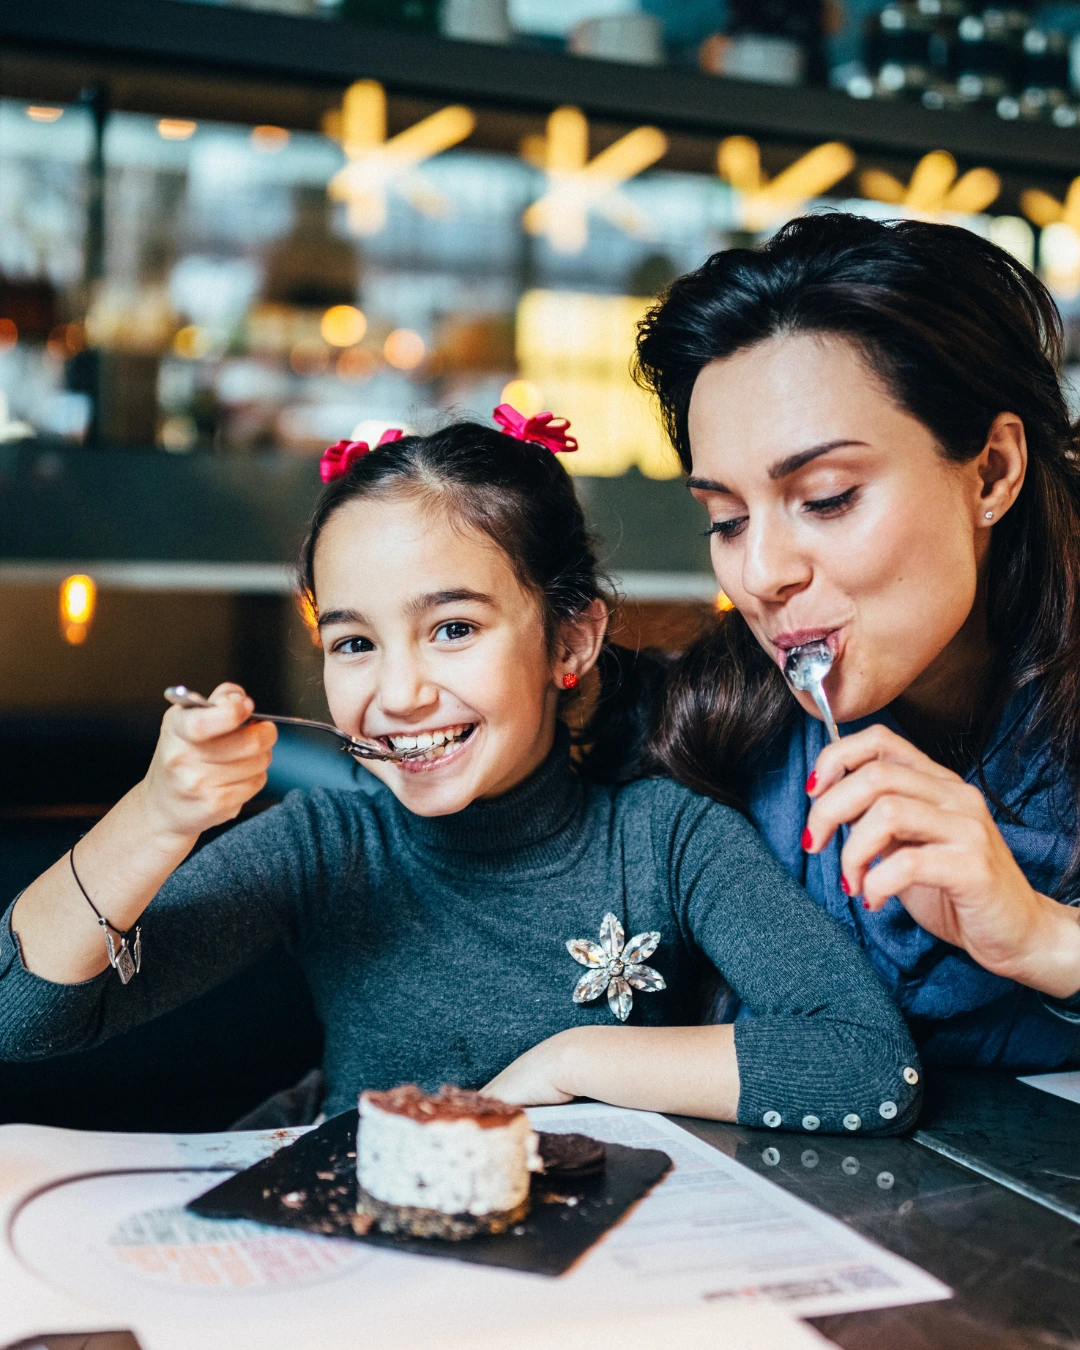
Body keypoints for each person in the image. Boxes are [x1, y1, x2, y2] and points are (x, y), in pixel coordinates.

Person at [0, 410, 920, 1136]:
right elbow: (21, 1020)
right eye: (354, 642)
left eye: (453, 629)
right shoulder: (329, 846)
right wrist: (158, 816)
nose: (399, 693)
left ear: (572, 638)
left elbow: (870, 1068)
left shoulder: (665, 841)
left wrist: (574, 1061)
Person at [633, 211, 1080, 1067]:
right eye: (725, 520)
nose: (761, 573)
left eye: (828, 497)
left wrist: (1045, 938)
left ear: (993, 471)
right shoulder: (708, 733)